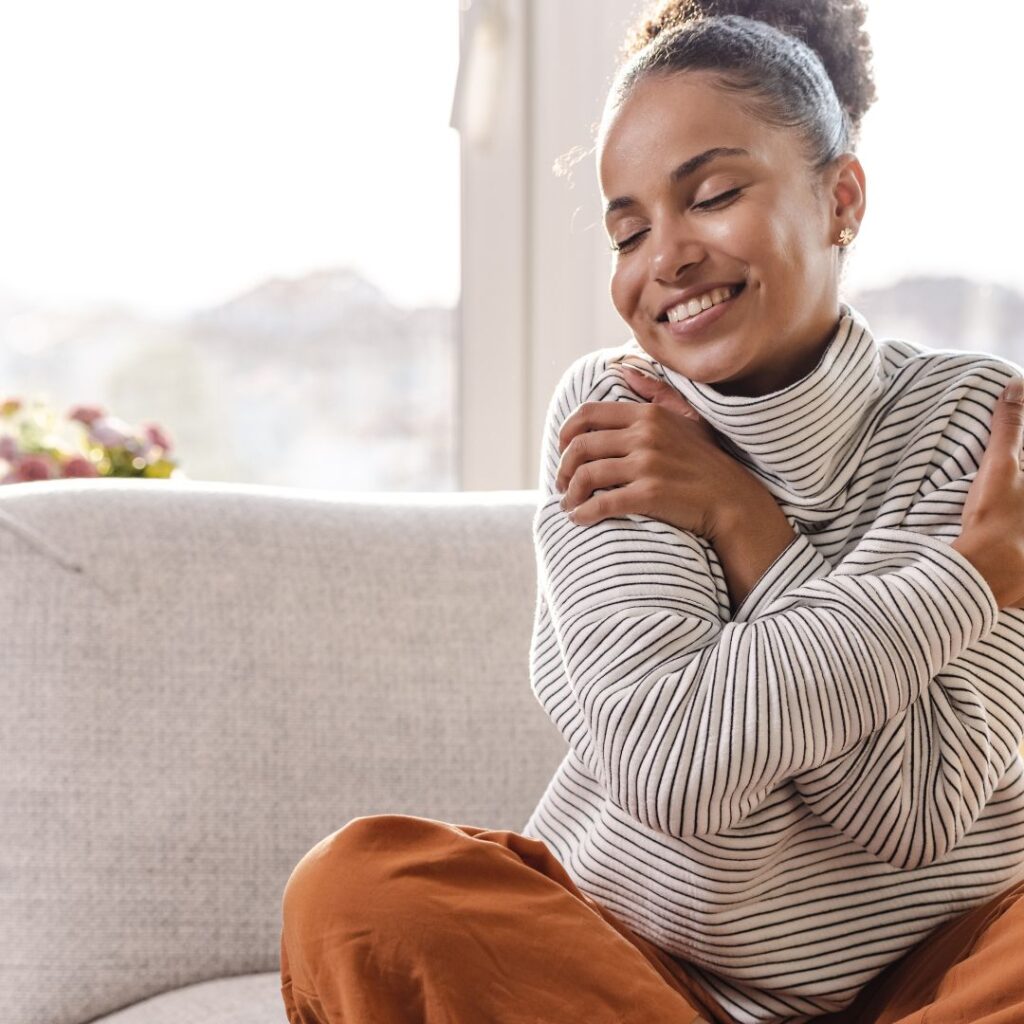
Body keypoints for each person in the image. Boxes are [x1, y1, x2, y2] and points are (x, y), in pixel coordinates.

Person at [278, 2, 1024, 1022]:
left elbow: (912, 808)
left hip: (918, 984)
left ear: (839, 196)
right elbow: (675, 769)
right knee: (361, 891)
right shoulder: (615, 413)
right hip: (633, 975)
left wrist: (744, 520)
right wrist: (965, 583)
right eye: (627, 228)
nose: (664, 256)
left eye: (711, 195)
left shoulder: (978, 422)